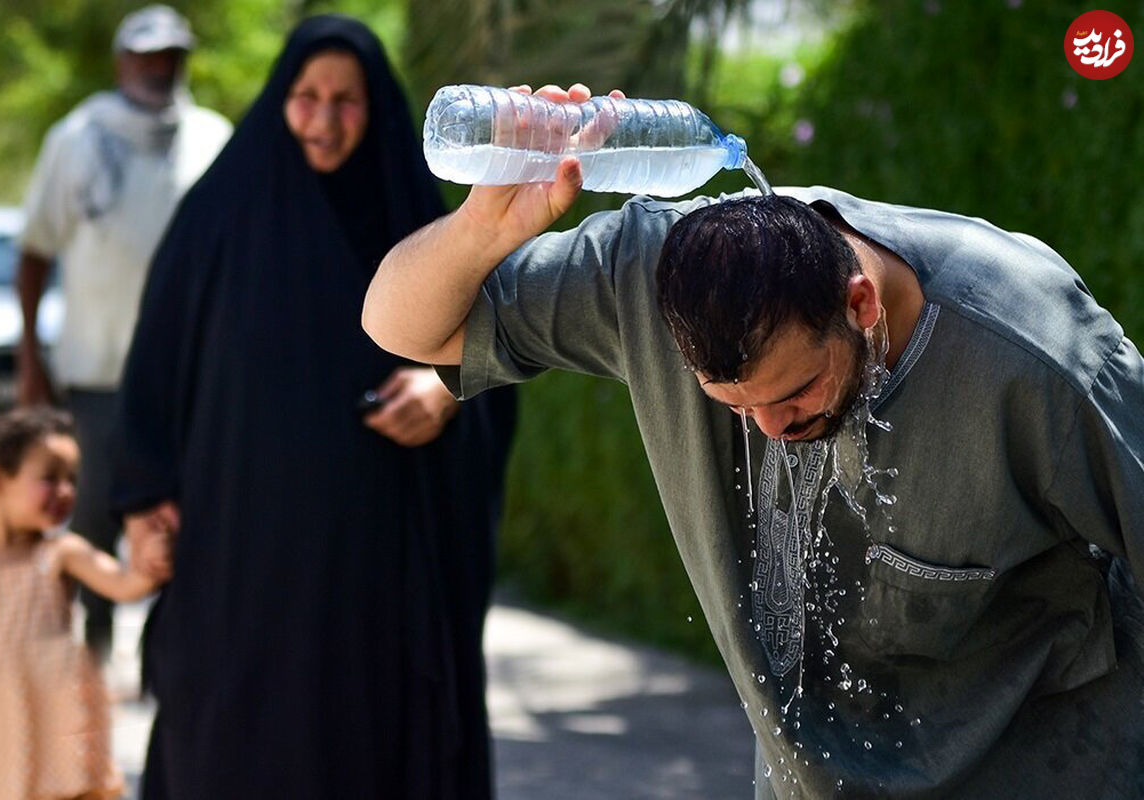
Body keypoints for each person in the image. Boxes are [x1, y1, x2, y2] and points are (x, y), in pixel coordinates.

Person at [363, 83, 1144, 798]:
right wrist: (481, 227)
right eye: (731, 405)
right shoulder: (647, 273)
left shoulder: (1035, 350)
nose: (770, 428)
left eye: (796, 391)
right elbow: (398, 324)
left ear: (860, 305)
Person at [112, 16, 515, 799]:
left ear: (380, 109)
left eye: (347, 101)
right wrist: (140, 500)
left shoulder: (421, 219)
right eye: (306, 96)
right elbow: (155, 367)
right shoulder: (218, 218)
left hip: (381, 568)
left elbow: (506, 347)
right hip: (239, 561)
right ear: (279, 100)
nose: (324, 119)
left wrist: (445, 389)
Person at [14, 4, 232, 659]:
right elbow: (33, 254)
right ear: (122, 61)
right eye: (146, 55)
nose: (159, 68)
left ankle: (172, 662)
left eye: (171, 56)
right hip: (97, 373)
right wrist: (31, 356)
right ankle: (91, 652)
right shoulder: (75, 138)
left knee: (186, 521)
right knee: (91, 518)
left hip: (190, 379)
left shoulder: (212, 138)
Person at [0, 408, 169, 799]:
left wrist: (151, 558)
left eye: (71, 479)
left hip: (47, 729)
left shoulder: (60, 553)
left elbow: (125, 584)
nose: (66, 491)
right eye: (50, 478)